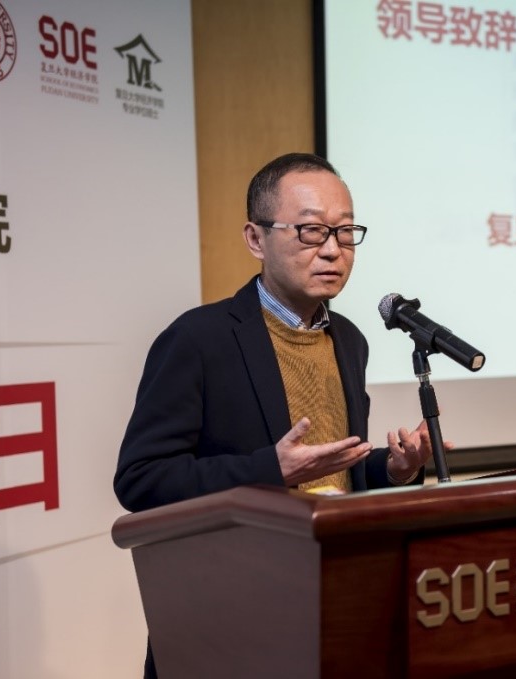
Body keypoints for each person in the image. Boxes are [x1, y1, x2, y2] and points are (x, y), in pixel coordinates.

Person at [113, 152, 443, 677]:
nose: (332, 249)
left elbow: (334, 474)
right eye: (311, 231)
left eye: (345, 232)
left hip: (334, 602)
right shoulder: (198, 339)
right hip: (229, 618)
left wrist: (394, 469)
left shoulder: (349, 340)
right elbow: (141, 479)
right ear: (256, 239)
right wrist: (270, 469)